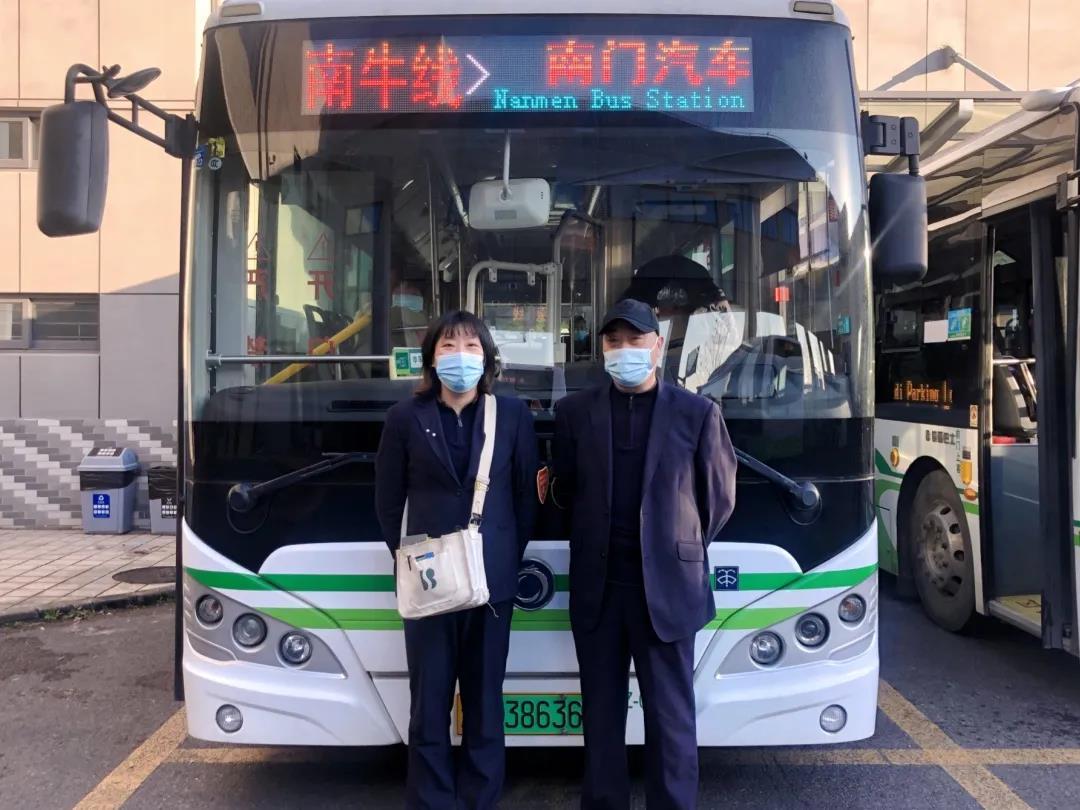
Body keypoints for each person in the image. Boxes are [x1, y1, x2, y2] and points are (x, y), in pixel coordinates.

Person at [552, 298, 737, 810]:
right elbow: (564, 490)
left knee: (671, 718)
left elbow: (718, 500)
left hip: (669, 590)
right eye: (614, 341)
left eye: (635, 340)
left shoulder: (697, 414)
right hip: (599, 589)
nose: (624, 350)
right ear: (602, 350)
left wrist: (674, 546)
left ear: (657, 346)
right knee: (601, 717)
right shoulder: (574, 414)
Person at [375, 310, 539, 810]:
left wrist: (503, 556)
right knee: (429, 703)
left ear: (486, 358)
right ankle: (431, 800)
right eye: (448, 346)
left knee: (485, 700)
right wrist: (414, 559)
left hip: (492, 585)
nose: (459, 357)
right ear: (431, 358)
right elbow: (387, 502)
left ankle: (479, 798)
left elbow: (526, 499)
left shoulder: (512, 416)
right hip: (428, 581)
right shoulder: (405, 418)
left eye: (471, 347)